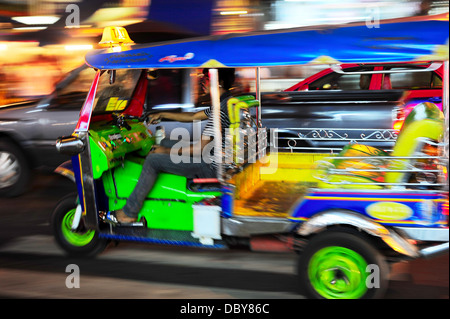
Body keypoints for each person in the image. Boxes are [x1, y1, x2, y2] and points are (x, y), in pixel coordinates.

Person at [107, 68, 236, 224]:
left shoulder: (220, 111)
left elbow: (199, 149)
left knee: (153, 160)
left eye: (206, 78)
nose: (202, 82)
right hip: (216, 160)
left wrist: (166, 151)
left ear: (219, 82)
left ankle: (129, 212)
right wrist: (163, 114)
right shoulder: (226, 102)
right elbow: (194, 116)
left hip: (211, 166)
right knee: (163, 141)